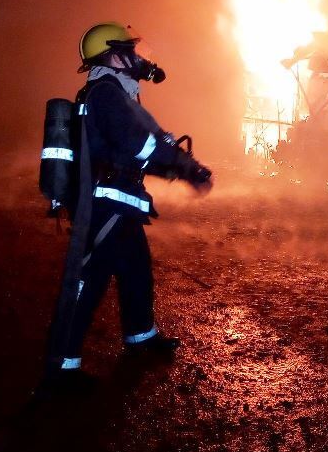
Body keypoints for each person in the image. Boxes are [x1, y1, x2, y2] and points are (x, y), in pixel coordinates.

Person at [44, 22, 212, 388]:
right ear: (113, 55)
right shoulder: (106, 94)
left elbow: (143, 145)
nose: (139, 58)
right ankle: (62, 371)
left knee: (136, 270)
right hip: (105, 205)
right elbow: (142, 147)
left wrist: (180, 165)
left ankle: (141, 338)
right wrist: (187, 168)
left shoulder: (117, 93)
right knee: (87, 284)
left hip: (121, 202)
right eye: (131, 51)